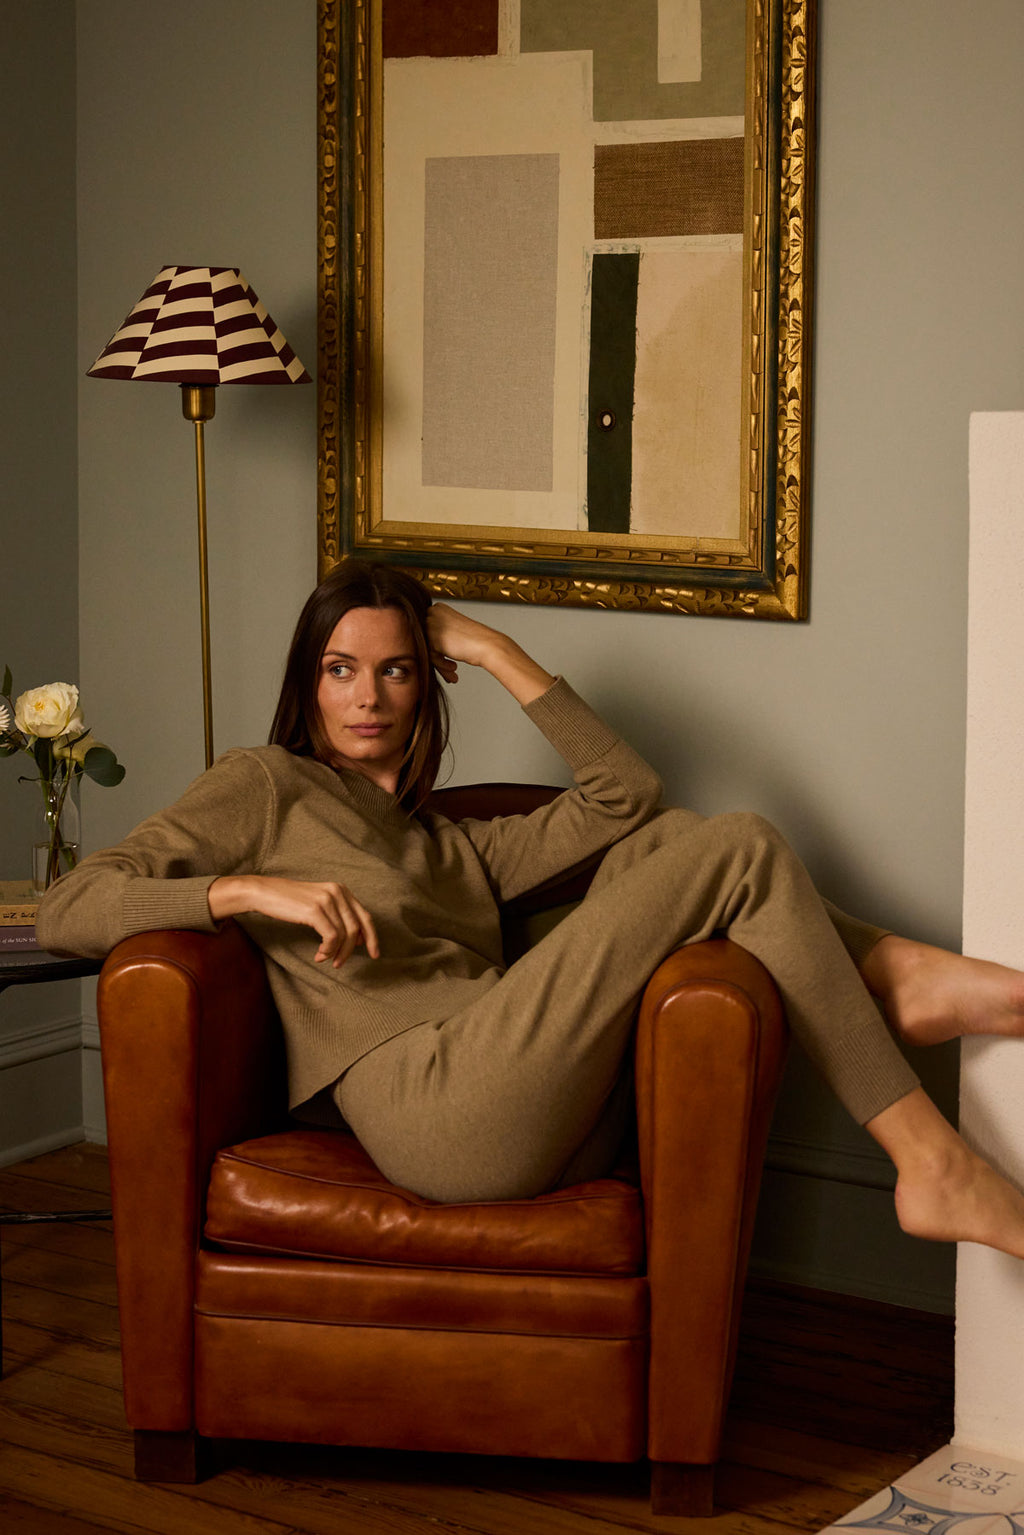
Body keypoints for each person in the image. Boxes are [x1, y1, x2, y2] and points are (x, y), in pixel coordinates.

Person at [36, 560, 1024, 1260]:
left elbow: (622, 793)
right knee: (739, 841)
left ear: (429, 686)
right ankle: (925, 1135)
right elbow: (68, 907)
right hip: (439, 1113)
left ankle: (893, 974)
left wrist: (496, 648)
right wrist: (246, 888)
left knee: (672, 837)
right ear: (308, 681)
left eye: (398, 667)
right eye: (340, 667)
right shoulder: (266, 786)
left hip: (535, 1104)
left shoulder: (453, 847)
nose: (367, 695)